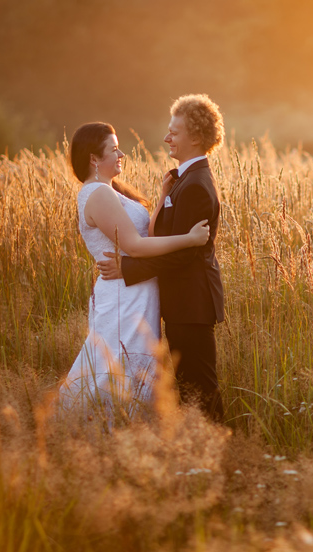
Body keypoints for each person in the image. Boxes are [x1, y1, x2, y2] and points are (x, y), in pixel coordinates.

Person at [60, 121, 210, 418]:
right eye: (113, 149)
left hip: (137, 291)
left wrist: (160, 198)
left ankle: (128, 430)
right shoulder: (97, 194)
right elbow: (136, 247)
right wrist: (190, 239)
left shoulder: (111, 192)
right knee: (116, 363)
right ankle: (98, 430)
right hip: (123, 294)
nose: (121, 154)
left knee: (135, 365)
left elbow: (143, 238)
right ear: (93, 158)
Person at [98, 94, 225, 422]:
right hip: (183, 301)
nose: (167, 137)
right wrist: (163, 196)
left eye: (175, 132)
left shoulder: (196, 185)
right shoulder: (182, 180)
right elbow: (163, 239)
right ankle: (200, 455)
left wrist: (127, 268)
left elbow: (184, 255)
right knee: (188, 386)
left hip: (192, 302)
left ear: (195, 137)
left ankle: (219, 457)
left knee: (200, 388)